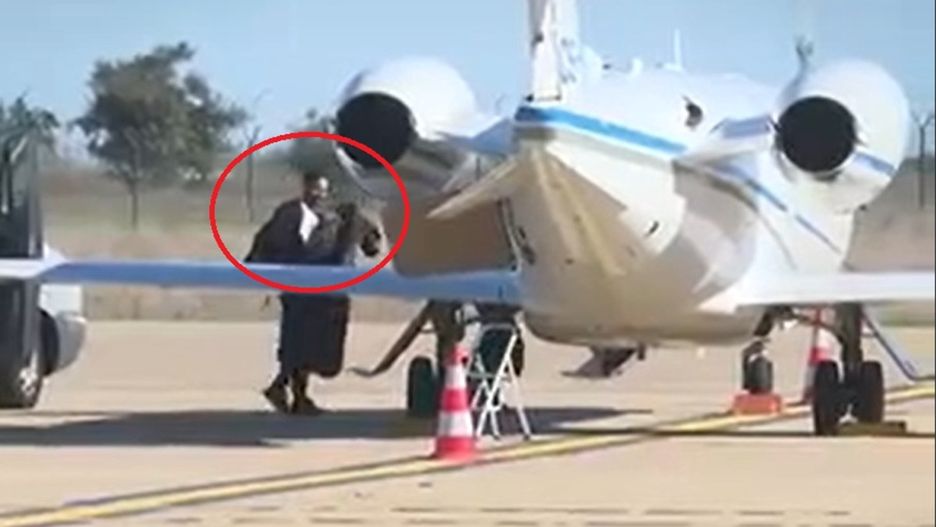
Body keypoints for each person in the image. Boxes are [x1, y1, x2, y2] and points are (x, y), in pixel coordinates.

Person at [245, 171, 367, 415]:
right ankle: (291, 392)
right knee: (298, 342)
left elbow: (370, 245)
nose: (317, 195)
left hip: (323, 293)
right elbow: (267, 244)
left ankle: (287, 390)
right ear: (304, 189)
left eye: (321, 190)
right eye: (313, 189)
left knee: (308, 344)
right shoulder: (291, 215)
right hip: (299, 291)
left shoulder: (337, 218)